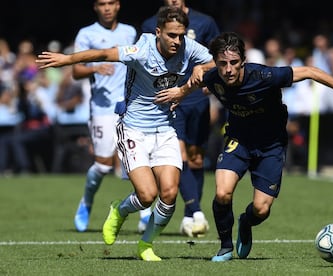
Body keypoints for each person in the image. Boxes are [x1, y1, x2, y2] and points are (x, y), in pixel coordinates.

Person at [155, 32, 333, 262]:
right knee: (222, 192)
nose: (228, 69)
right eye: (222, 64)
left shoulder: (265, 75)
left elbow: (311, 72)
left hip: (271, 145)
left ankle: (245, 222)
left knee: (261, 210)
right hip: (238, 140)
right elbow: (198, 80)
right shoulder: (214, 77)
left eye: (233, 63)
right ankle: (225, 247)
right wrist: (180, 93)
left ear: (243, 60)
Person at [36, 6, 214, 261]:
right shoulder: (141, 50)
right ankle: (119, 210)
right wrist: (66, 60)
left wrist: (196, 75)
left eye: (181, 36)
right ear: (158, 32)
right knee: (146, 195)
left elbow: (216, 61)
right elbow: (103, 53)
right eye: (172, 35)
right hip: (134, 129)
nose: (177, 41)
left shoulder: (189, 47)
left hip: (165, 129)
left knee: (170, 194)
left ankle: (146, 245)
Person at [139, 0, 220, 237]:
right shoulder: (149, 24)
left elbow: (218, 55)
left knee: (195, 159)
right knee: (179, 155)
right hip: (169, 98)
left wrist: (208, 78)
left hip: (196, 99)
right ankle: (196, 211)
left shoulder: (205, 22)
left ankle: (187, 215)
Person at [71, 0, 137, 232]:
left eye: (111, 3)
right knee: (103, 166)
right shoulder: (87, 33)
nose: (107, 8)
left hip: (129, 107)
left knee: (136, 164)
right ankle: (86, 201)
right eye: (102, 4)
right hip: (101, 109)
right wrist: (94, 67)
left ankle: (146, 213)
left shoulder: (130, 32)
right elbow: (76, 70)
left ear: (118, 5)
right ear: (95, 7)